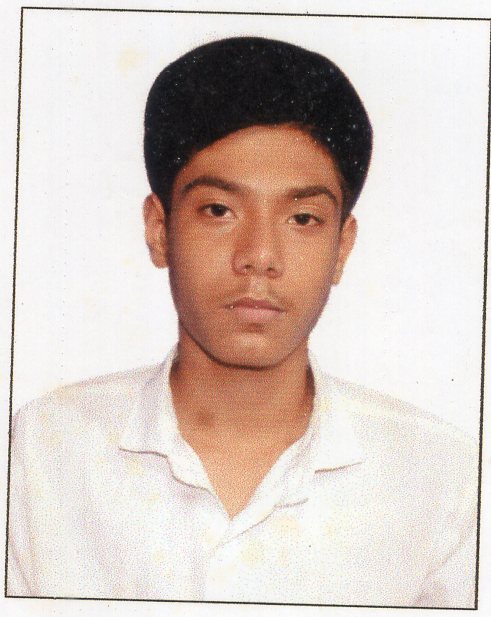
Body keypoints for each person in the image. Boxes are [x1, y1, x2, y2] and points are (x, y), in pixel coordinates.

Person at [7, 36, 478, 606]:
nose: (259, 256)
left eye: (303, 218)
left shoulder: (444, 480)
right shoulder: (38, 454)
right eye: (219, 210)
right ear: (159, 229)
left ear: (342, 248)